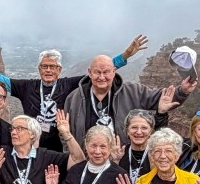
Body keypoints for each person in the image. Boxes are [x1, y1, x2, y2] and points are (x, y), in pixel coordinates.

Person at [0, 35, 147, 151]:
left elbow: (101, 72)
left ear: (59, 70)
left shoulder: (69, 85)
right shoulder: (27, 87)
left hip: (59, 148)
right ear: (39, 69)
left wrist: (126, 55)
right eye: (44, 66)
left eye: (53, 67)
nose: (48, 70)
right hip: (31, 146)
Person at [64, 55, 193, 146]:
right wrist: (74, 156)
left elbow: (163, 97)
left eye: (106, 72)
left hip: (121, 160)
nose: (101, 77)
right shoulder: (74, 98)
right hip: (87, 160)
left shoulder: (133, 91)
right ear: (90, 73)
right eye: (97, 72)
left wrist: (182, 91)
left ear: (114, 72)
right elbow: (65, 132)